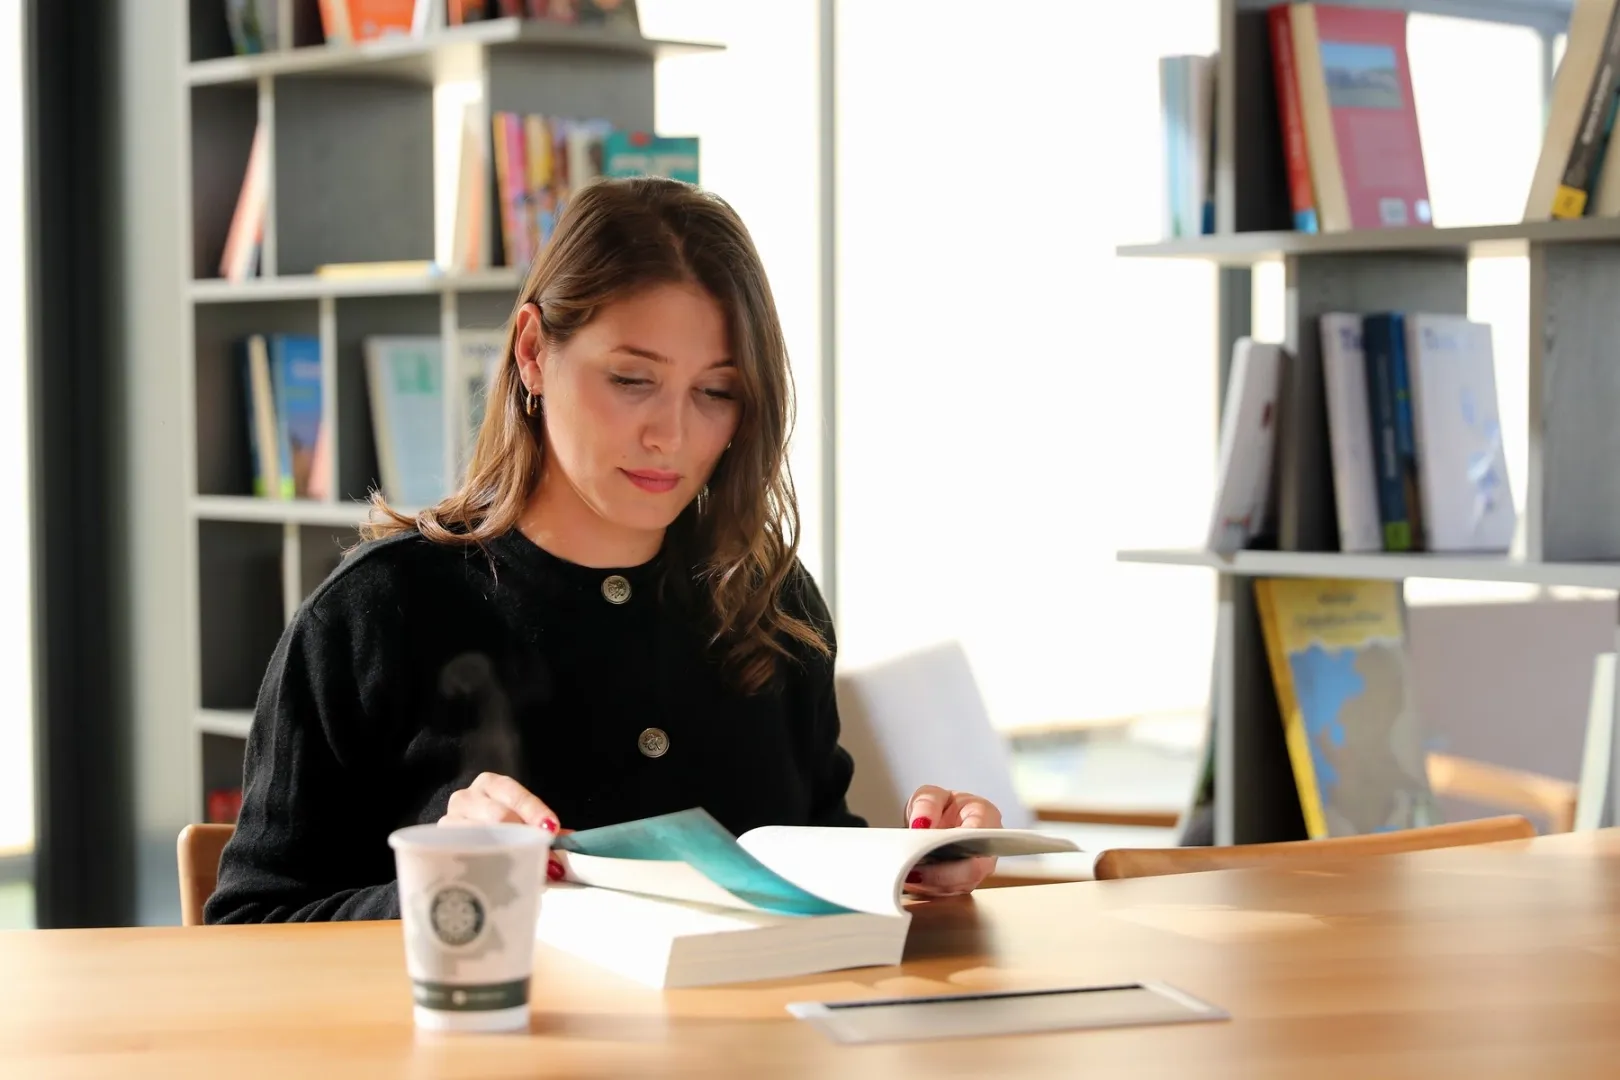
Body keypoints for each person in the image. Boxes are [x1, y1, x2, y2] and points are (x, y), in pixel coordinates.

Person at [205, 177, 1004, 924]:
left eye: (716, 391)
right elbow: (251, 927)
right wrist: (442, 887)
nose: (671, 435)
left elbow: (813, 862)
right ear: (532, 353)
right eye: (631, 379)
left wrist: (915, 865)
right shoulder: (376, 614)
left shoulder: (770, 603)